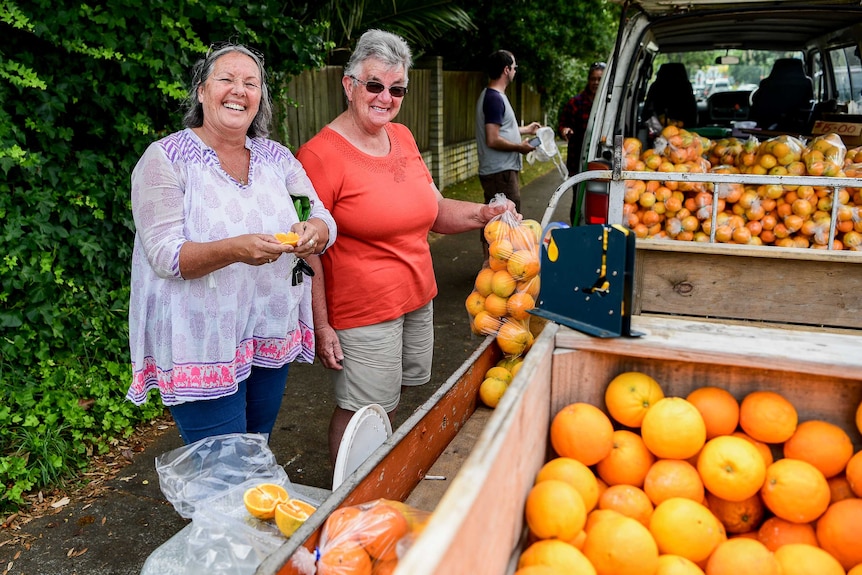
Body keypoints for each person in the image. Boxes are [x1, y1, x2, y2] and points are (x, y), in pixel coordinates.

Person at [296, 29, 518, 465]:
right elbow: (307, 251)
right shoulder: (318, 156)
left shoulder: (403, 136)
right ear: (349, 84)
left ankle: (377, 476)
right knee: (360, 410)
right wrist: (320, 326)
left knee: (390, 402)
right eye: (375, 85)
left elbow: (433, 208)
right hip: (362, 309)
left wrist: (481, 214)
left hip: (417, 296)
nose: (385, 97)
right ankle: (345, 502)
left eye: (397, 89)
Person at [126, 42, 337, 445]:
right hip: (202, 345)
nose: (239, 90)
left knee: (254, 449)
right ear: (202, 91)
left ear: (261, 99)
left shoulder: (276, 158)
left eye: (251, 83)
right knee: (220, 470)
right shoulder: (165, 159)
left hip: (269, 331)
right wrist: (235, 249)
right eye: (226, 79)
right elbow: (166, 256)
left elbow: (322, 215)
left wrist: (314, 232)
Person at [475, 49, 541, 254]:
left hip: (500, 170)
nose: (515, 71)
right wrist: (520, 147)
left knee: (497, 219)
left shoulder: (494, 96)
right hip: (500, 173)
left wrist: (525, 130)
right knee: (503, 221)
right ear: (506, 70)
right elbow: (493, 138)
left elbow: (501, 128)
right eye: (514, 67)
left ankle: (495, 264)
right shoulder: (494, 98)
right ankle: (497, 265)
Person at [558, 61, 605, 224]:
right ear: (588, 80)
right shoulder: (575, 102)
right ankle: (576, 230)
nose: (596, 83)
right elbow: (563, 124)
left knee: (600, 199)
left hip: (602, 161)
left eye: (600, 79)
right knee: (578, 199)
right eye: (593, 79)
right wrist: (565, 130)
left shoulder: (609, 104)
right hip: (579, 160)